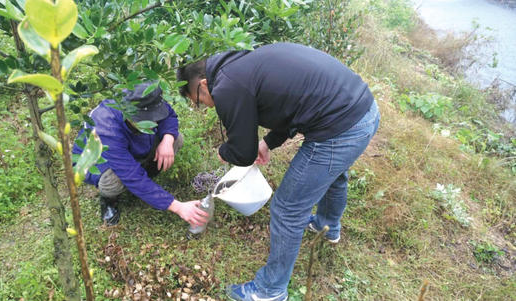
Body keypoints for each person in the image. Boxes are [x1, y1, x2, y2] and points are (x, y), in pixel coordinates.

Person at [176, 43, 380, 301]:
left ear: (204, 84)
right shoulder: (241, 66)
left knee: (287, 209)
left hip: (341, 127)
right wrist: (268, 142)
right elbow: (289, 105)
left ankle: (269, 291)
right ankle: (326, 226)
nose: (206, 106)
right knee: (333, 174)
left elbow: (242, 154)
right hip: (365, 110)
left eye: (199, 100)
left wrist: (225, 151)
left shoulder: (227, 86)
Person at [72, 81, 208, 228]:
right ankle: (109, 201)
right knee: (113, 180)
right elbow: (131, 175)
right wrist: (178, 207)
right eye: (145, 118)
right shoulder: (106, 128)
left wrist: (168, 140)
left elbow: (169, 116)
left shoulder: (148, 98)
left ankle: (147, 177)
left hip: (133, 146)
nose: (153, 122)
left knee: (176, 138)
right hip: (100, 161)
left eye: (154, 116)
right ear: (127, 112)